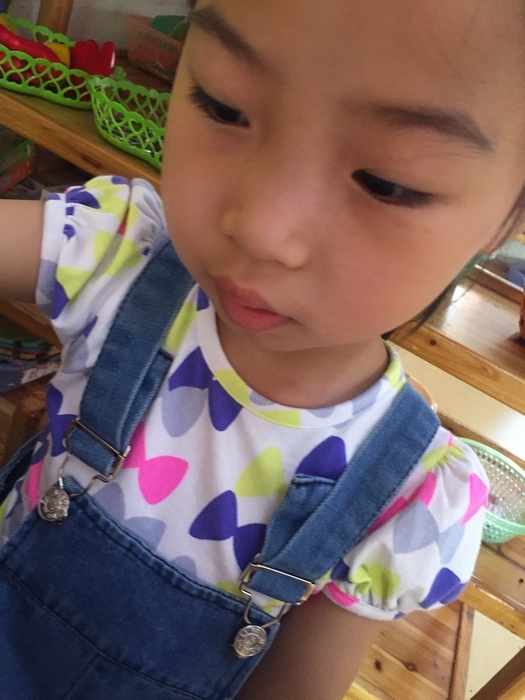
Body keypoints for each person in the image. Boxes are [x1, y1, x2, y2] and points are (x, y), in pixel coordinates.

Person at [1, 0, 524, 697]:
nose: (261, 229)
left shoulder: (406, 496)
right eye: (223, 106)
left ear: (509, 215)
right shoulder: (119, 260)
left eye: (386, 182)